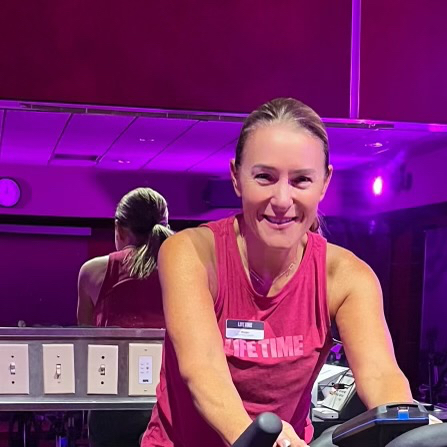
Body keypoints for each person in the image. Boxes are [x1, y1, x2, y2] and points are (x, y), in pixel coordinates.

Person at [142, 98, 413, 447]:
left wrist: (409, 426)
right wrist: (256, 438)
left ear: (324, 183)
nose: (282, 200)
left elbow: (381, 374)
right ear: (236, 177)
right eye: (265, 177)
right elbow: (202, 369)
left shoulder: (346, 277)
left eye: (301, 180)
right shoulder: (190, 253)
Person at [77, 187, 174, 447]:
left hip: (113, 401)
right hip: (169, 398)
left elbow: (84, 341)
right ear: (165, 225)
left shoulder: (93, 271)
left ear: (119, 229)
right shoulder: (185, 268)